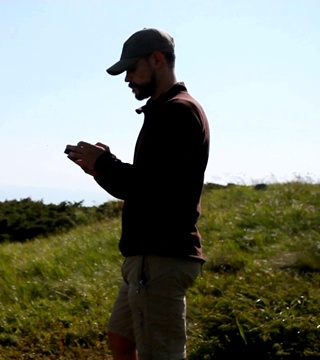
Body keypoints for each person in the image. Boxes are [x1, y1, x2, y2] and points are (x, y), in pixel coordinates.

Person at [65, 28, 210, 360]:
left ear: (156, 59)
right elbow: (143, 186)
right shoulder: (165, 110)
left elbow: (150, 188)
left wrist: (106, 163)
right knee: (121, 337)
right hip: (148, 256)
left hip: (160, 256)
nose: (127, 78)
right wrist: (99, 167)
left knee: (161, 354)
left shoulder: (177, 111)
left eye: (131, 68)